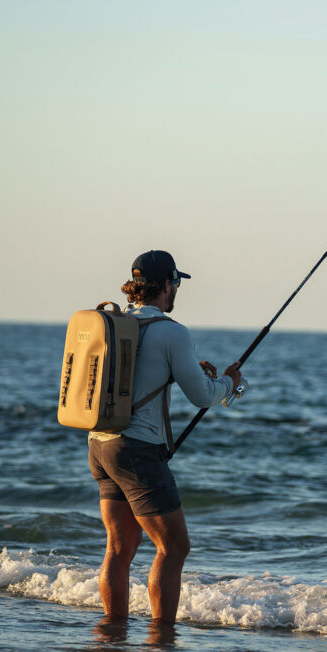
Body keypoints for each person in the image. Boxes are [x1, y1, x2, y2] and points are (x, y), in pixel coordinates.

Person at [87, 250, 241, 627]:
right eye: (175, 284)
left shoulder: (116, 324)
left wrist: (181, 372)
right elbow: (204, 397)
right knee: (173, 547)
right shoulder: (172, 331)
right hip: (137, 450)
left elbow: (136, 377)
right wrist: (230, 382)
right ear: (167, 285)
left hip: (100, 444)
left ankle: (113, 632)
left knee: (119, 548)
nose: (176, 291)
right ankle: (161, 639)